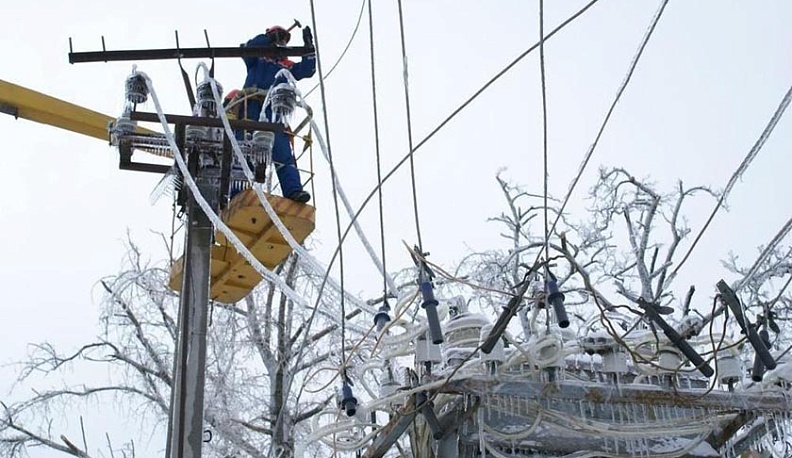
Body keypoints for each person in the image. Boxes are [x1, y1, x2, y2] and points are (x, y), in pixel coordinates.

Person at [239, 25, 316, 203]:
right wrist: (269, 39)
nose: (282, 41)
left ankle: (293, 191)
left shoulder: (286, 65)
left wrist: (308, 47)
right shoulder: (258, 58)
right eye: (279, 37)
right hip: (250, 104)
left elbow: (307, 70)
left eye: (285, 38)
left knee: (282, 150)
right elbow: (248, 48)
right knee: (246, 147)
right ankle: (241, 190)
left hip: (274, 110)